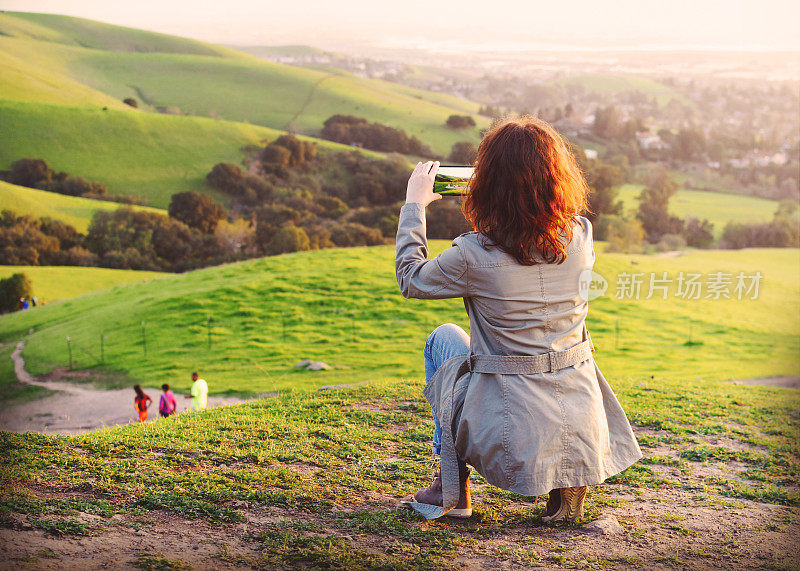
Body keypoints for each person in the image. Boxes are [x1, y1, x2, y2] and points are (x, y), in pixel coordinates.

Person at [395, 116, 642, 522]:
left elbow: (411, 278)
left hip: (510, 424)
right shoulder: (580, 235)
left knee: (443, 338)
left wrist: (414, 205)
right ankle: (566, 482)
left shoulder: (472, 255)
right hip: (578, 413)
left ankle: (450, 487)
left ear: (489, 184)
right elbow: (531, 234)